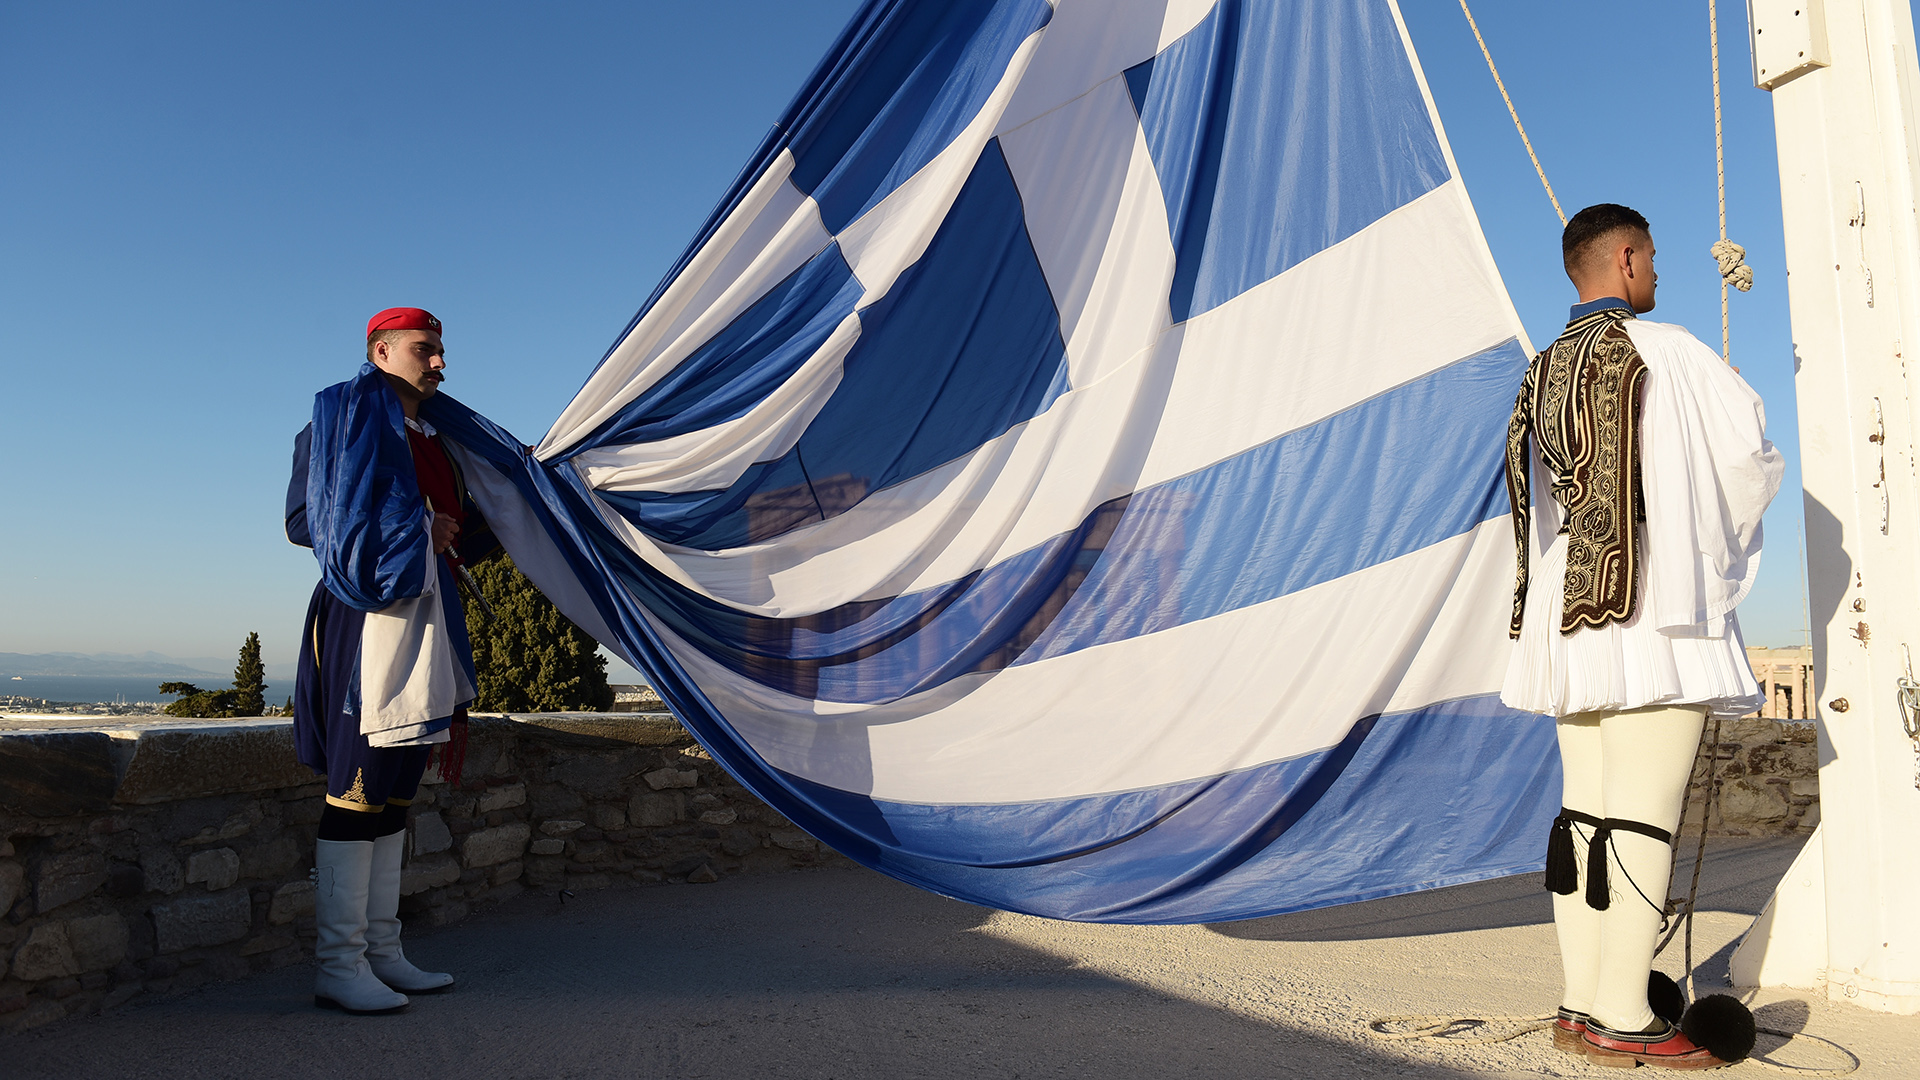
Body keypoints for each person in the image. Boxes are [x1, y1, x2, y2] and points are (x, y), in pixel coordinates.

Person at [1502, 205, 1782, 1068]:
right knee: (1642, 817)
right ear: (1625, 258)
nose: (1657, 272)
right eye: (1652, 257)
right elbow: (1749, 463)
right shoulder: (1669, 351)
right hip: (1647, 595)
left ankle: (1582, 1004)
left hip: (1564, 599)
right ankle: (1627, 1015)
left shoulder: (1539, 371)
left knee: (1583, 815)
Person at [285, 307, 498, 1014]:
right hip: (367, 622)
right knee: (357, 788)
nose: (439, 364)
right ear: (380, 352)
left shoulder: (437, 437)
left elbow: (463, 534)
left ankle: (382, 951)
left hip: (431, 620)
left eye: (440, 351)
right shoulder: (337, 426)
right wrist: (413, 527)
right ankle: (337, 965)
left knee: (397, 787)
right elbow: (302, 523)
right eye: (424, 350)